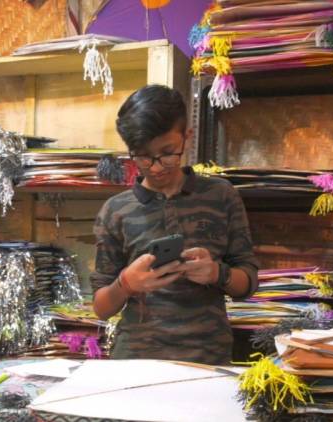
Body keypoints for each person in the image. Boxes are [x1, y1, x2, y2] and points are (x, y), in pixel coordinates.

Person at [90, 85, 259, 365]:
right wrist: (126, 284)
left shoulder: (221, 195)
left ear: (187, 138)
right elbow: (101, 308)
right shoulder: (115, 210)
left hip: (207, 357)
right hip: (135, 360)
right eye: (143, 156)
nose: (155, 167)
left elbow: (248, 283)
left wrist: (217, 273)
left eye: (168, 153)